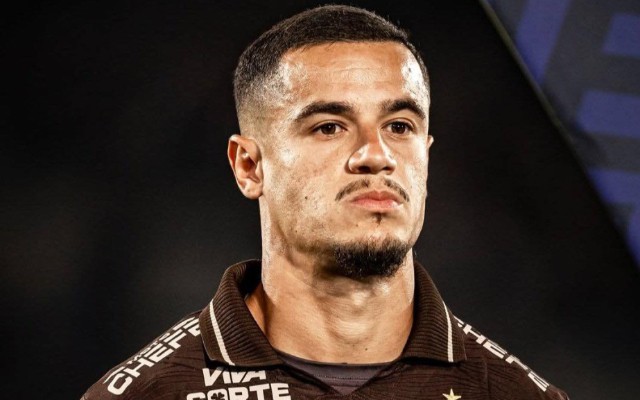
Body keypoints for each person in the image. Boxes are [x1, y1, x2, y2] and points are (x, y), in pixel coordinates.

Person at [82, 4, 569, 399]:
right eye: (329, 127)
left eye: (399, 126)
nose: (376, 155)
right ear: (249, 166)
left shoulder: (517, 394)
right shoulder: (146, 394)